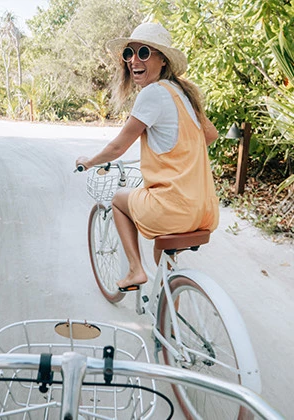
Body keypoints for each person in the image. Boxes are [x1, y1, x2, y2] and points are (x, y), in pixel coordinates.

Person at [76, 22, 219, 292]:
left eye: (143, 52)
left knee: (118, 200)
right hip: (202, 208)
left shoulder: (153, 93)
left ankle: (134, 270)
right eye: (128, 54)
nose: (133, 60)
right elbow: (209, 135)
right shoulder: (183, 93)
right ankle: (168, 316)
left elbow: (118, 147)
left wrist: (89, 161)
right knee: (164, 256)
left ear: (162, 59)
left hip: (173, 208)